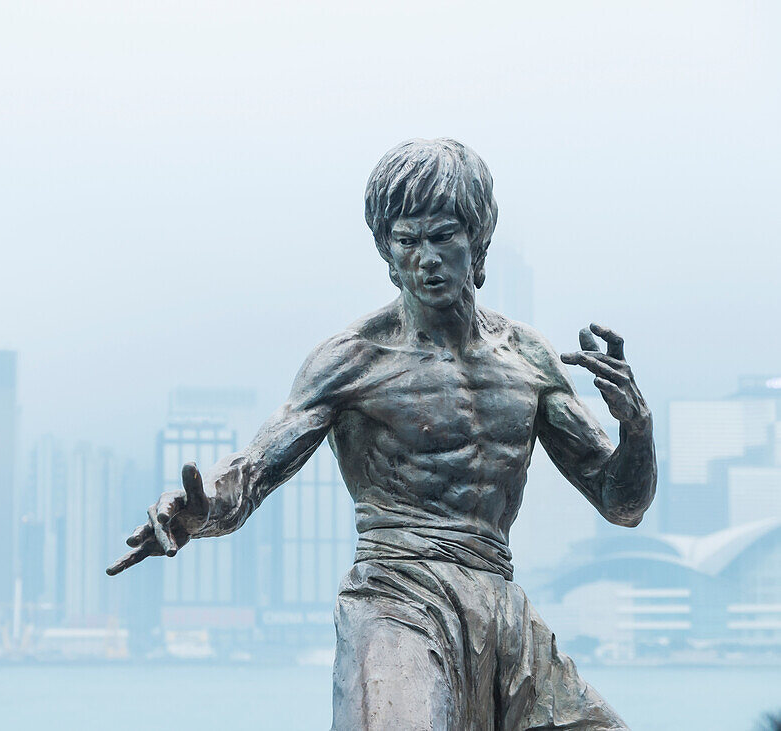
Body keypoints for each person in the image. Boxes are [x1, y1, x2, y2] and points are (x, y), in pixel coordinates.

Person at [108, 138, 656, 730]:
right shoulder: (353, 359)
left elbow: (620, 502)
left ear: (478, 243)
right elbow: (255, 468)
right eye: (407, 240)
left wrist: (637, 427)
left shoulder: (528, 359)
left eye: (443, 235)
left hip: (502, 610)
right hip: (397, 603)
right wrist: (198, 510)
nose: (427, 258)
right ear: (387, 255)